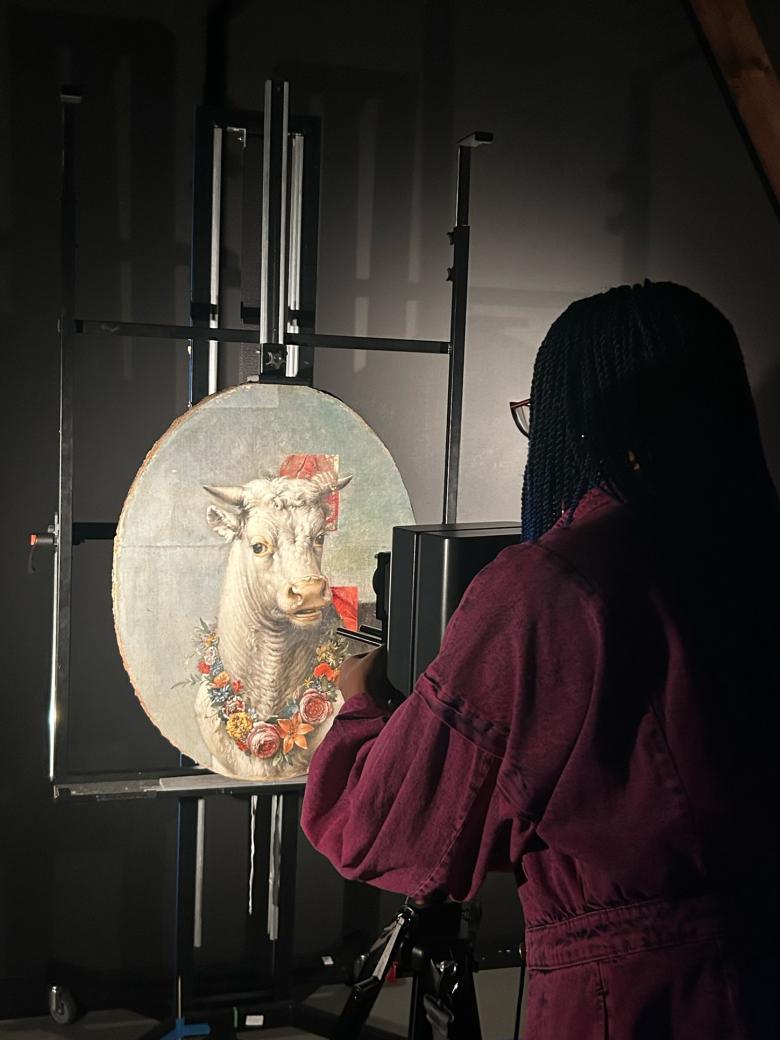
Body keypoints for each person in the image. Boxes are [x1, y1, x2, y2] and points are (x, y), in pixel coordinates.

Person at [301, 281, 780, 1039]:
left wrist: (362, 703)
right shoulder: (753, 560)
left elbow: (380, 831)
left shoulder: (550, 588)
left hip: (631, 1002)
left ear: (584, 425)